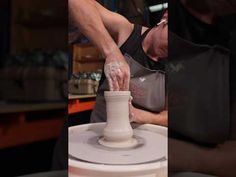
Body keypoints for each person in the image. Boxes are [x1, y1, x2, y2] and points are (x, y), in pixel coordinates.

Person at [69, 0, 168, 126]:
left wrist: (139, 115)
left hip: (144, 138)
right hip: (101, 131)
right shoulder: (126, 31)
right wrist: (112, 52)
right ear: (166, 18)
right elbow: (77, 3)